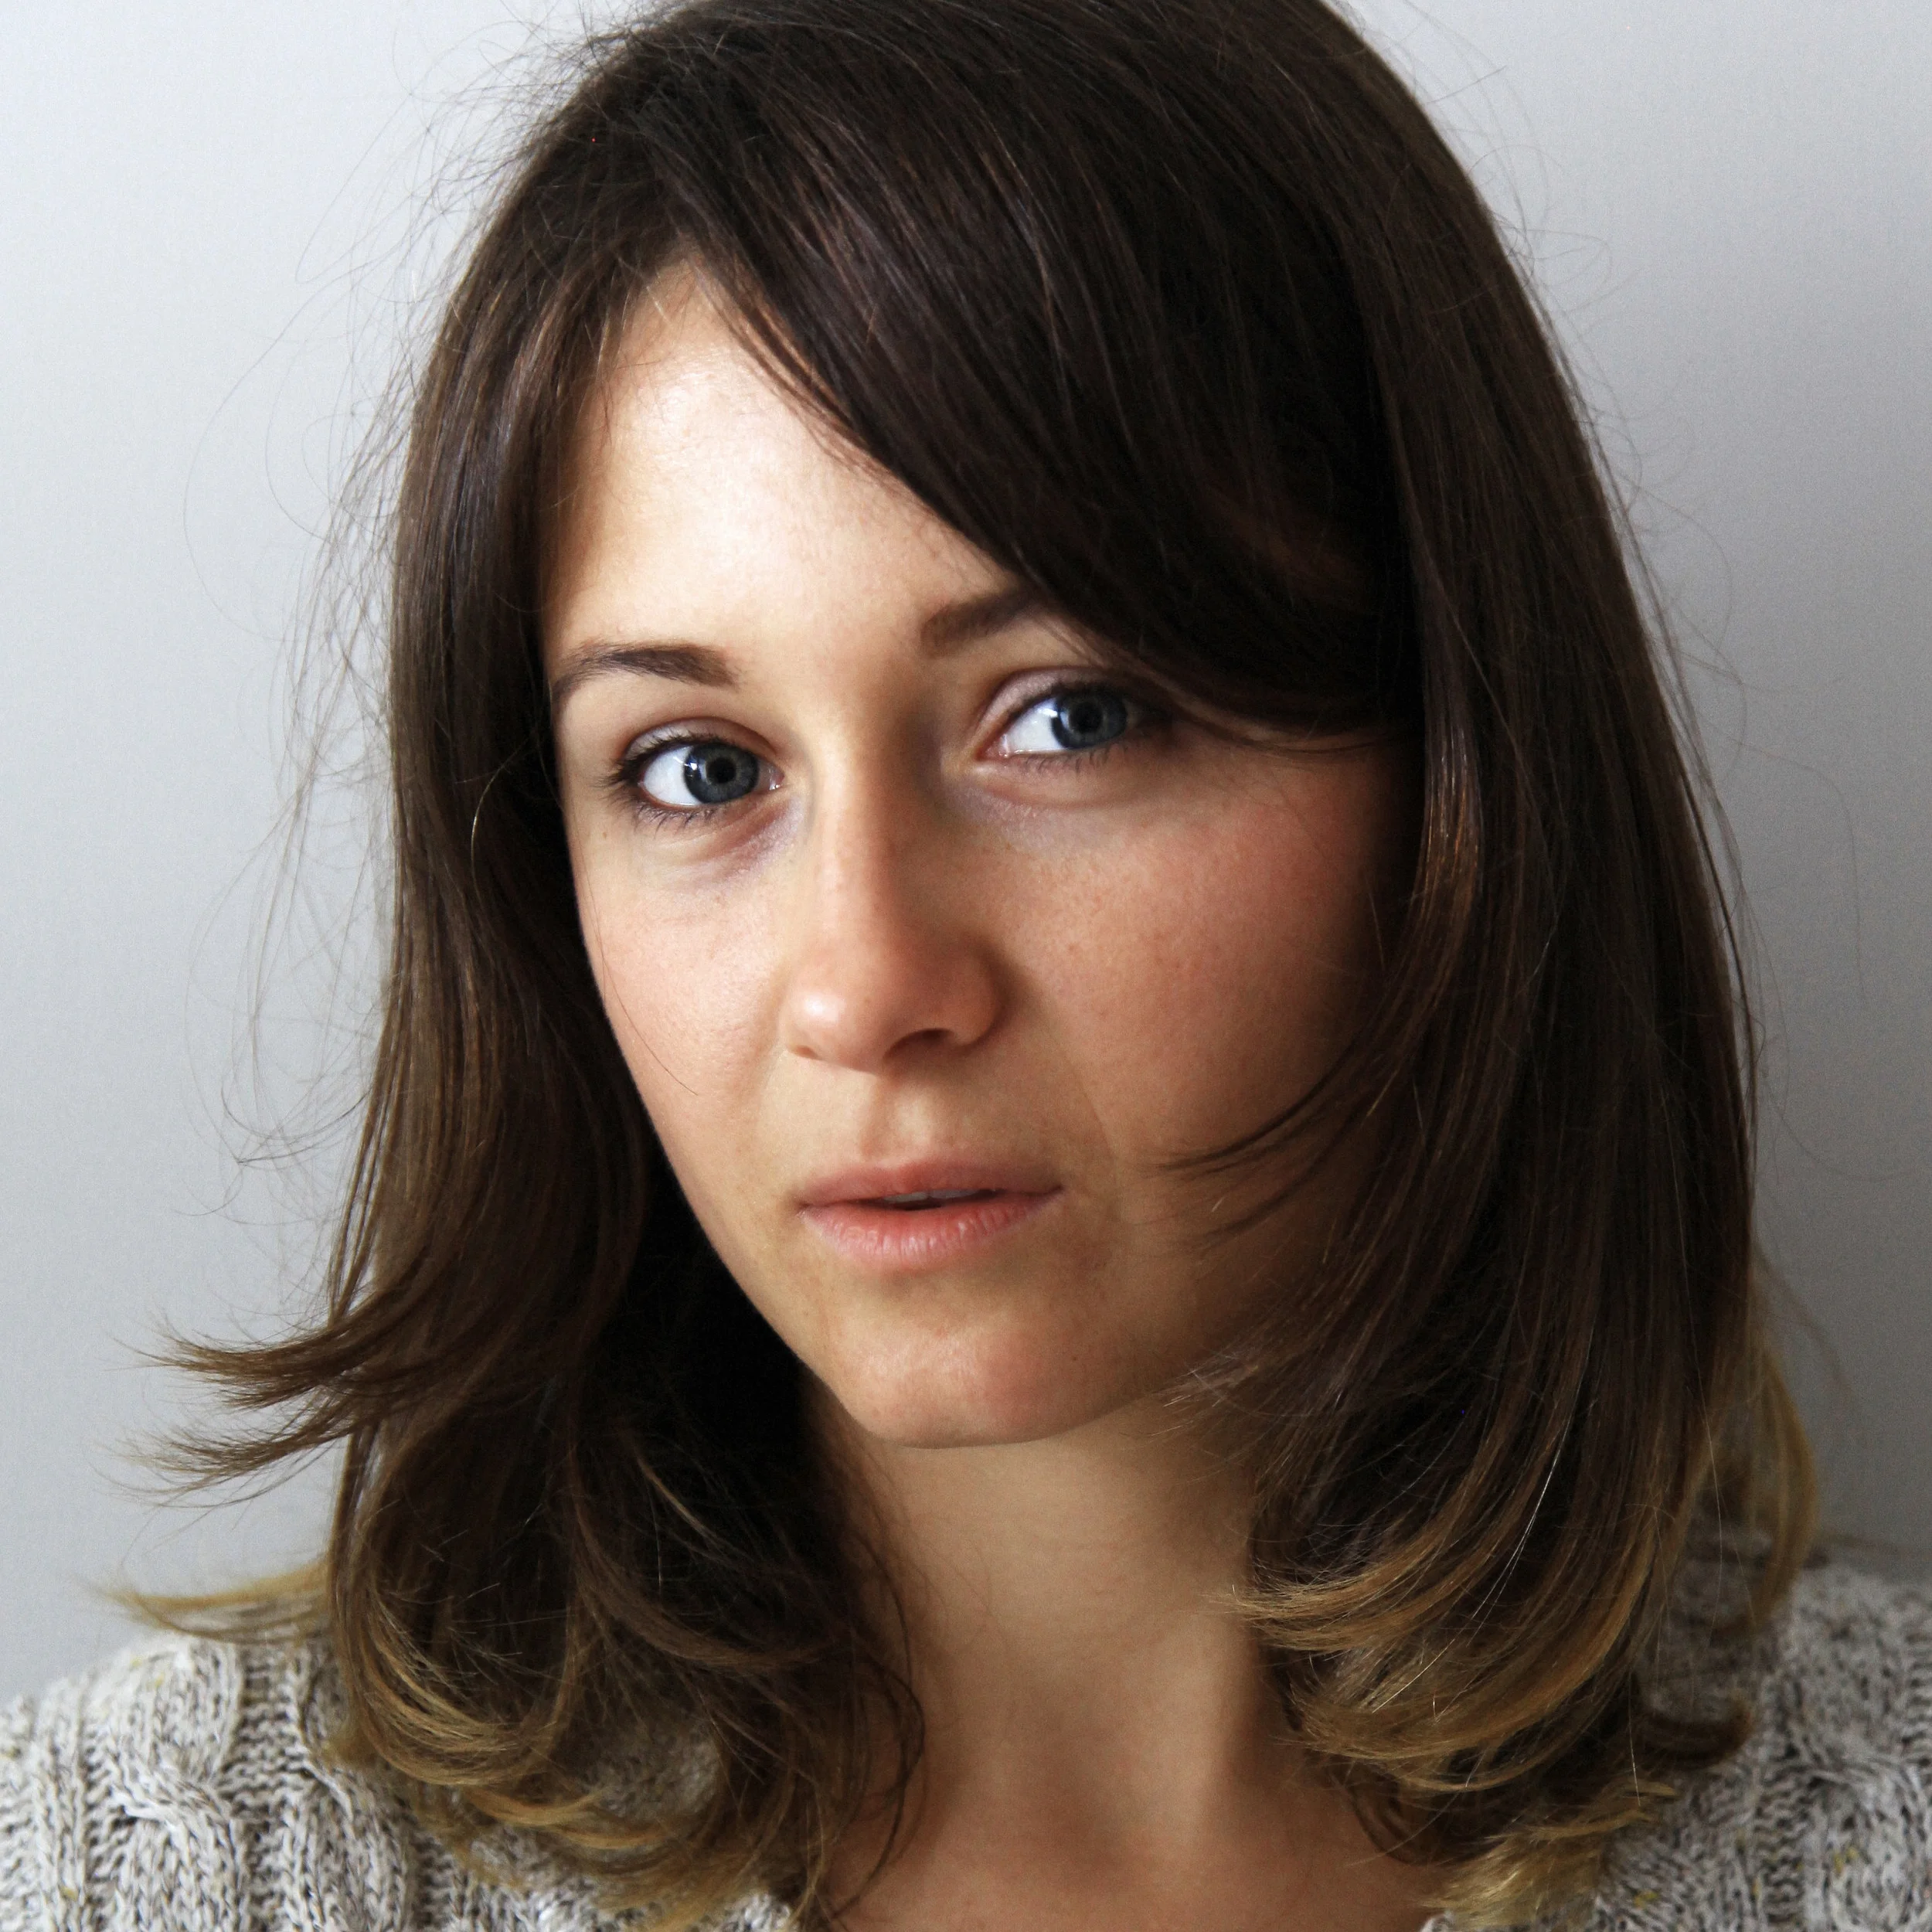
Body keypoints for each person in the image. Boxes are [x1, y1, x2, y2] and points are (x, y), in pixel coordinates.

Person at [4, 0, 1927, 1925]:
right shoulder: (138, 1870)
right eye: (698, 768)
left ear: (1460, 774)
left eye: (1069, 718)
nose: (863, 989)